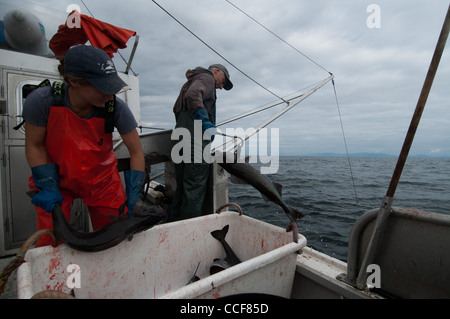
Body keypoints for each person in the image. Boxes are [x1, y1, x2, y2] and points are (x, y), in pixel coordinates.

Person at [23, 44, 145, 247]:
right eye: (102, 87)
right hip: (56, 180)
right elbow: (34, 145)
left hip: (102, 182)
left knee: (114, 239)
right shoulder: (41, 102)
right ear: (73, 81)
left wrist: (134, 194)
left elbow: (136, 151)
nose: (109, 94)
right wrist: (47, 185)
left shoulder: (116, 108)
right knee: (49, 242)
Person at [170, 64, 233, 221]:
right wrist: (205, 122)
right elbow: (193, 94)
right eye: (223, 81)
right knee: (193, 189)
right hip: (195, 141)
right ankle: (188, 234)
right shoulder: (207, 77)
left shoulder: (191, 81)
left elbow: (176, 109)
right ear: (217, 71)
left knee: (182, 189)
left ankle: (172, 226)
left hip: (180, 138)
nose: (221, 86)